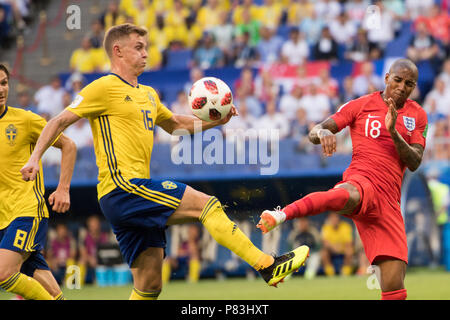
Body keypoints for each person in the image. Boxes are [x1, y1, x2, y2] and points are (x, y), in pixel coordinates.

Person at [21, 23, 309, 300]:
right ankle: (267, 265)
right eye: (138, 47)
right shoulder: (103, 88)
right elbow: (58, 121)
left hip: (132, 194)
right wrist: (36, 158)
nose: (145, 53)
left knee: (150, 285)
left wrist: (215, 121)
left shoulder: (148, 94)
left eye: (146, 47)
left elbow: (176, 125)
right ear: (118, 51)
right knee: (206, 205)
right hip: (123, 188)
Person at [257, 58, 428, 300]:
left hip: (389, 205)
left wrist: (393, 132)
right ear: (387, 77)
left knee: (395, 290)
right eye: (398, 80)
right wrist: (324, 131)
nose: (402, 86)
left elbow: (415, 161)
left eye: (409, 83)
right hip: (363, 180)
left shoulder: (418, 115)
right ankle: (281, 214)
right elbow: (315, 131)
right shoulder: (360, 105)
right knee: (344, 194)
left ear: (414, 87)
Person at [0, 63, 77, 300]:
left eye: (3, 83)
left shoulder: (24, 120)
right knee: (52, 292)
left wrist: (63, 188)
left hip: (26, 211)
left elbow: (68, 145)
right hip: (3, 216)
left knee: (3, 273)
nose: (1, 89)